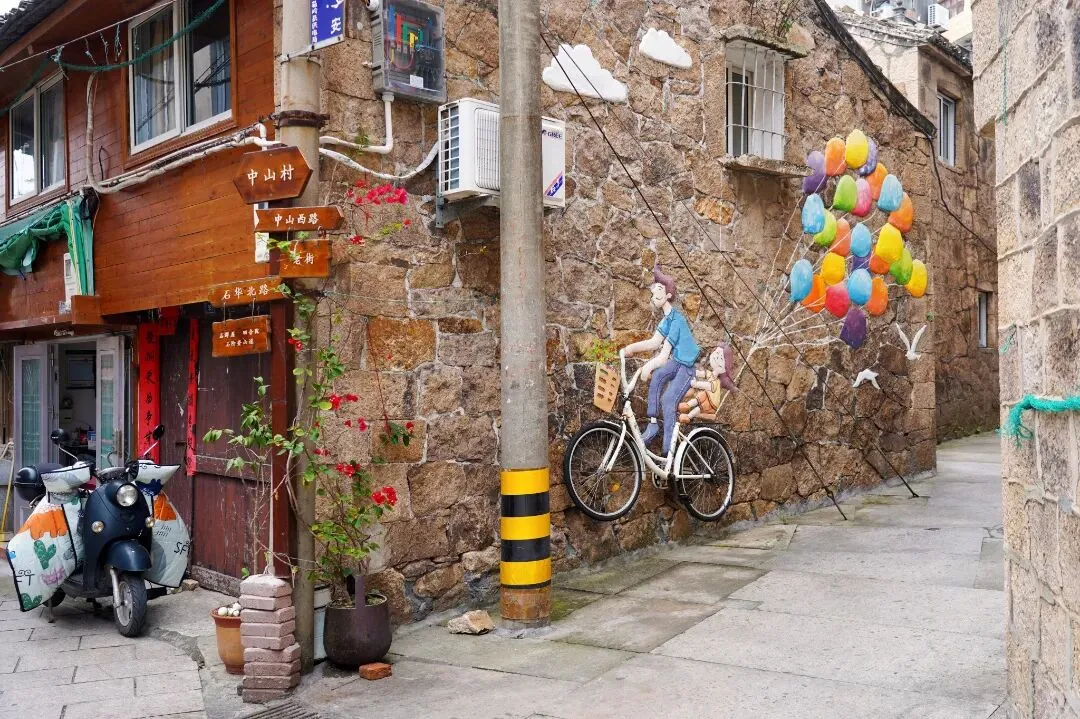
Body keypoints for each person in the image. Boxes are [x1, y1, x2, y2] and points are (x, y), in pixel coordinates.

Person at [621, 266, 700, 455]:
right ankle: (653, 424)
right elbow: (654, 342)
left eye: (659, 289)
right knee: (657, 377)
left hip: (687, 366)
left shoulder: (677, 320)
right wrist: (629, 349)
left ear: (668, 295)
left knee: (668, 400)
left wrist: (647, 366)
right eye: (654, 289)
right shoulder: (666, 320)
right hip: (677, 361)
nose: (654, 293)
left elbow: (663, 356)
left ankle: (668, 451)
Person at [679, 343, 736, 422]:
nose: (716, 358)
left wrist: (695, 384)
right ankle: (687, 405)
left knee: (700, 407)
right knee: (701, 396)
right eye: (716, 353)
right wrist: (694, 372)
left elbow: (707, 385)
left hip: (712, 402)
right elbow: (704, 374)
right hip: (707, 394)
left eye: (720, 358)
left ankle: (689, 416)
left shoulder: (717, 382)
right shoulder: (712, 374)